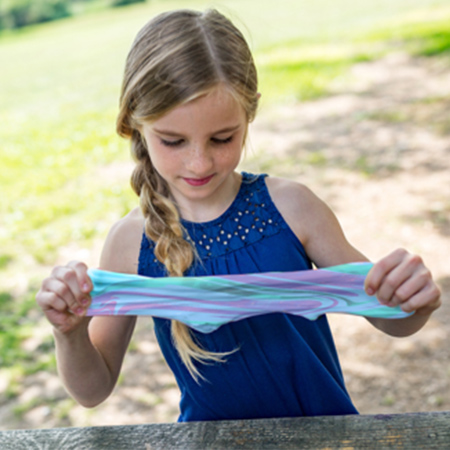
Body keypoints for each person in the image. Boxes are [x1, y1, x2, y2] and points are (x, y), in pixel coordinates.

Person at [36, 9, 441, 422]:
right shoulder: (130, 241)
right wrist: (69, 334)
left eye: (222, 138)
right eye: (173, 141)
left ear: (250, 114)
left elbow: (391, 321)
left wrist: (409, 301)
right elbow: (93, 389)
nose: (199, 162)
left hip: (325, 436)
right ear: (134, 125)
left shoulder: (293, 207)